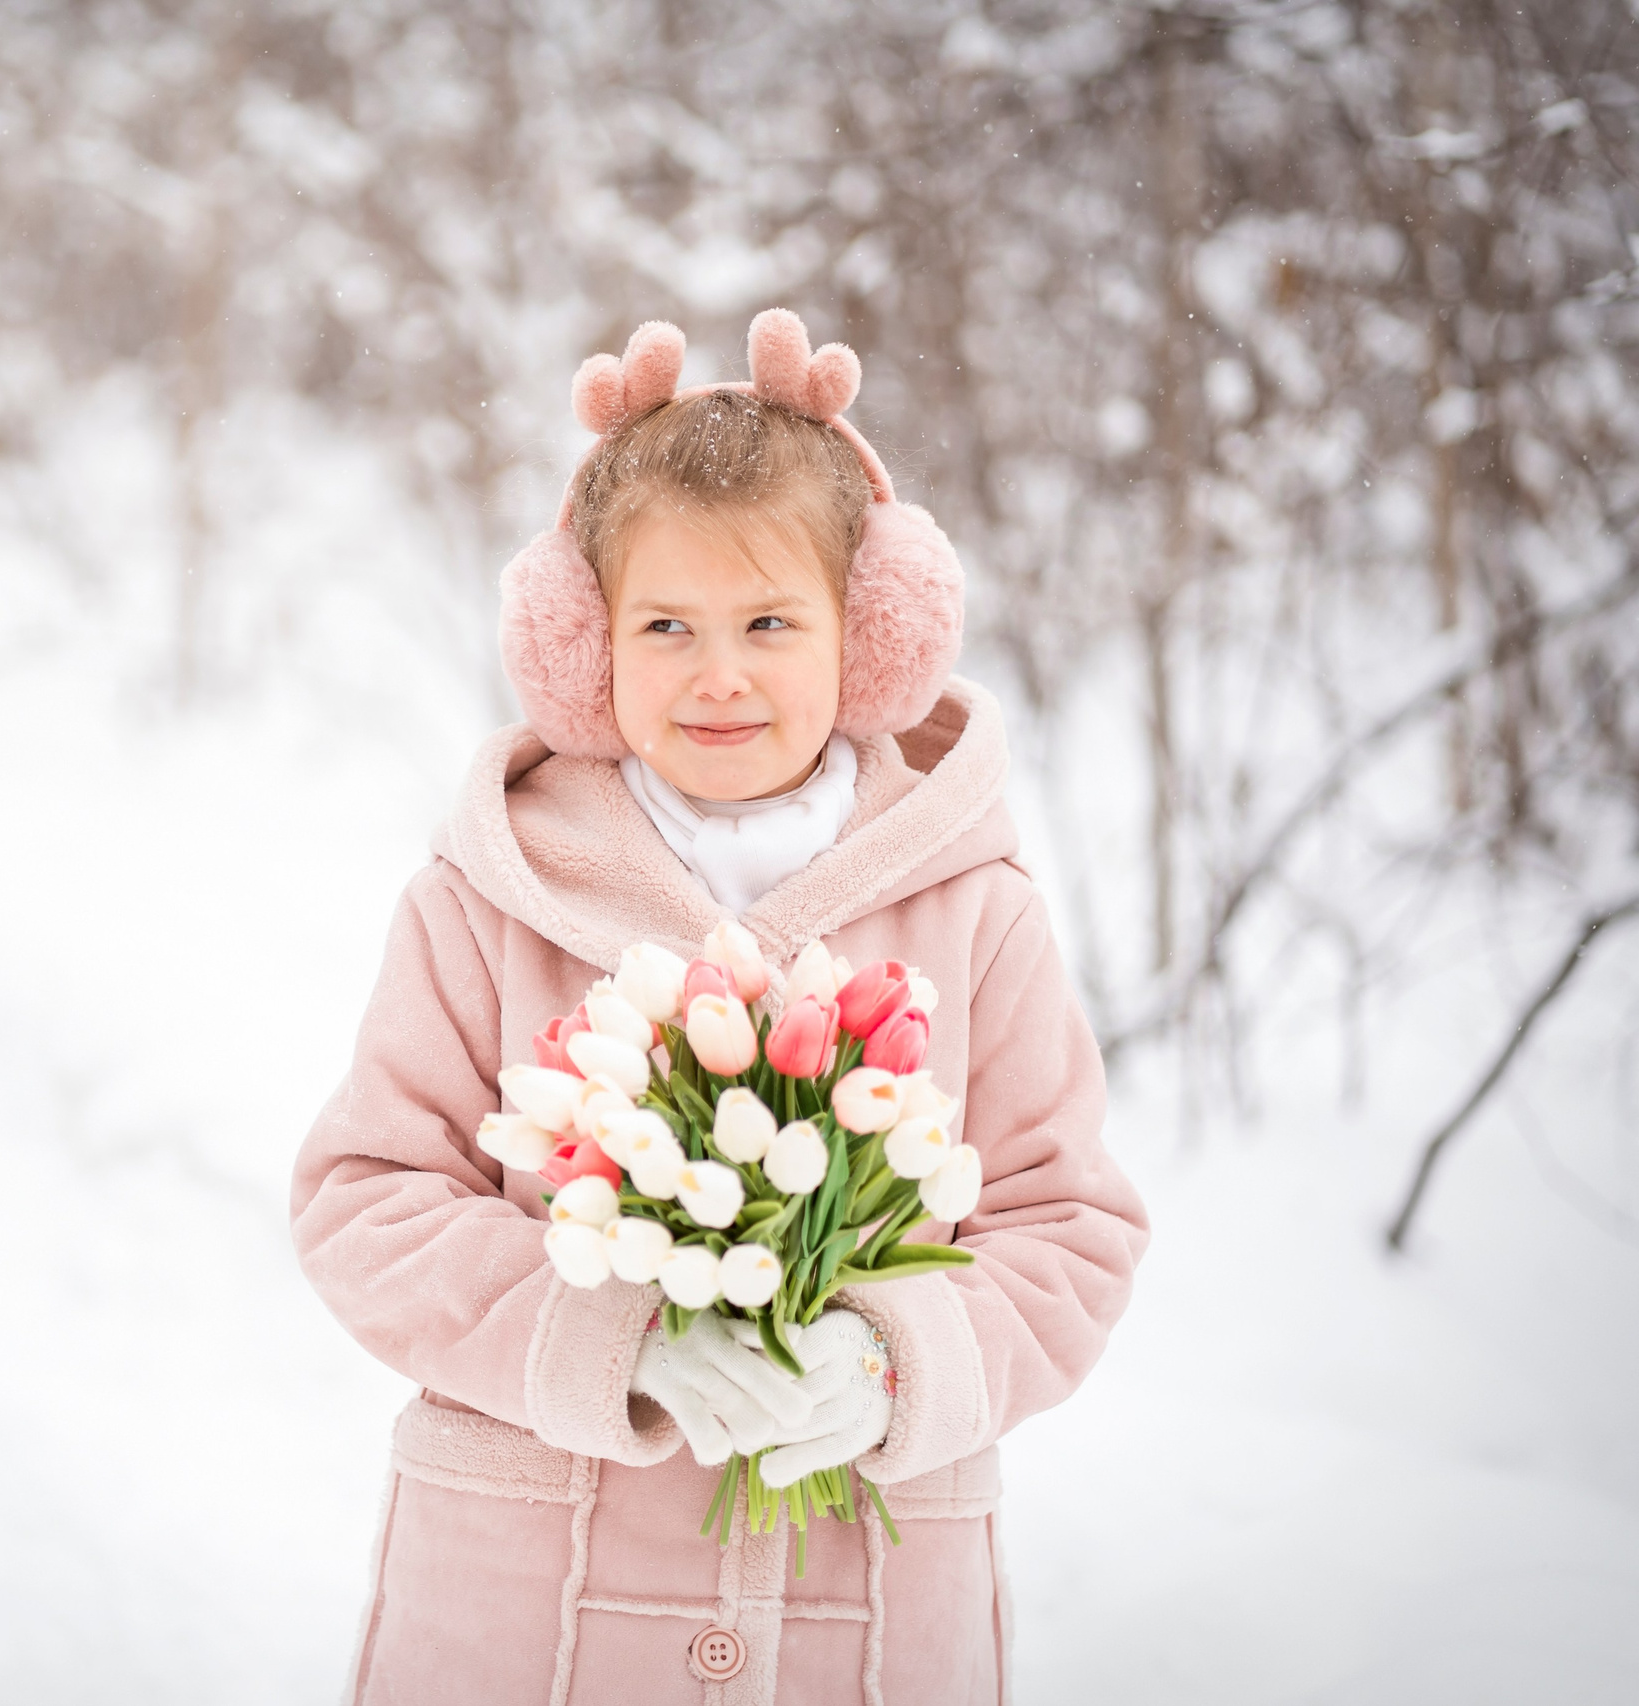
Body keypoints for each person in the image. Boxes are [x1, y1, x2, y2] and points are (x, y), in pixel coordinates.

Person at [289, 311, 1150, 1705]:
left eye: (769, 622)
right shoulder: (484, 899)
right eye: (667, 625)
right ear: (585, 644)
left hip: (860, 1632)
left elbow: (1071, 1228)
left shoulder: (975, 911)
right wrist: (619, 1334)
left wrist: (887, 1365)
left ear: (871, 639)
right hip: (521, 1621)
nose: (720, 672)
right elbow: (366, 1199)